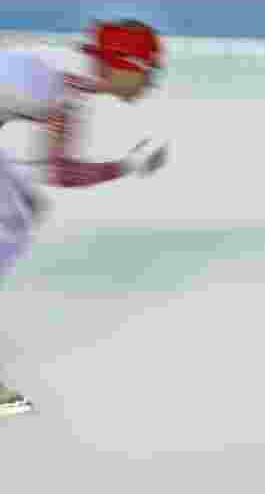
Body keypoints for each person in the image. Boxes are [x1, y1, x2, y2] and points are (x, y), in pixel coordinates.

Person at [0, 20, 167, 417]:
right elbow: (60, 173)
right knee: (15, 217)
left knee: (20, 209)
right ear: (126, 65)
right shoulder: (67, 83)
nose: (152, 83)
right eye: (150, 71)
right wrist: (127, 165)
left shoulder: (67, 73)